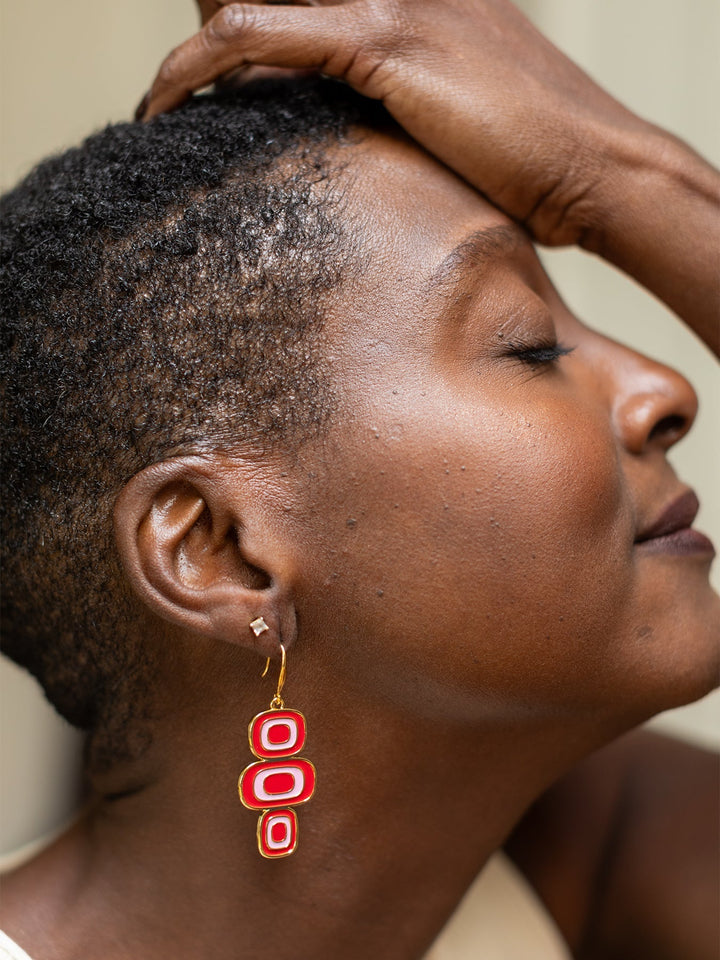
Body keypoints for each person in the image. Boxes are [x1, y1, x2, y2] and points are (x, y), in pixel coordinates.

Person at [1, 2, 718, 958]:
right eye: (530, 347)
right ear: (221, 549)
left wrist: (621, 170)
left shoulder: (623, 860)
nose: (663, 392)